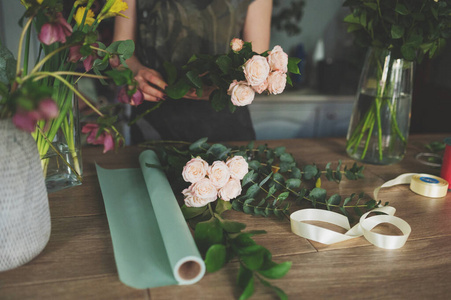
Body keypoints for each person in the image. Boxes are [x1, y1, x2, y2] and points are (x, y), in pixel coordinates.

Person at [113, 0, 273, 143]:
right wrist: (134, 71)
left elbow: (256, 63)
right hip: (153, 122)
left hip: (227, 127)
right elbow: (117, 52)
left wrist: (225, 84)